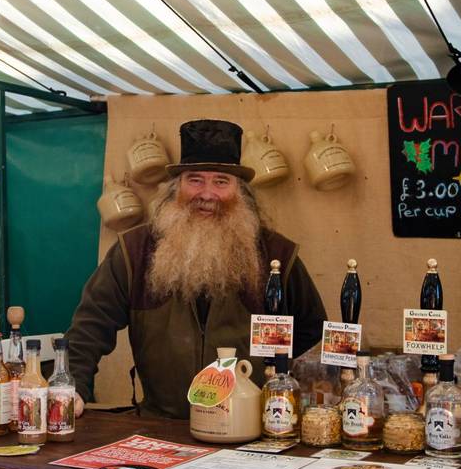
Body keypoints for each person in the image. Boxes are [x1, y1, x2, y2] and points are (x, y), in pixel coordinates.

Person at [66, 119, 326, 419]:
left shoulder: (277, 255)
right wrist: (73, 387)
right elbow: (90, 324)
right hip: (160, 425)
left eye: (220, 181)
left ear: (239, 191)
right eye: (195, 180)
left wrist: (273, 373)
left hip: (251, 426)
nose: (207, 193)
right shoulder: (134, 251)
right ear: (176, 187)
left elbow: (312, 330)